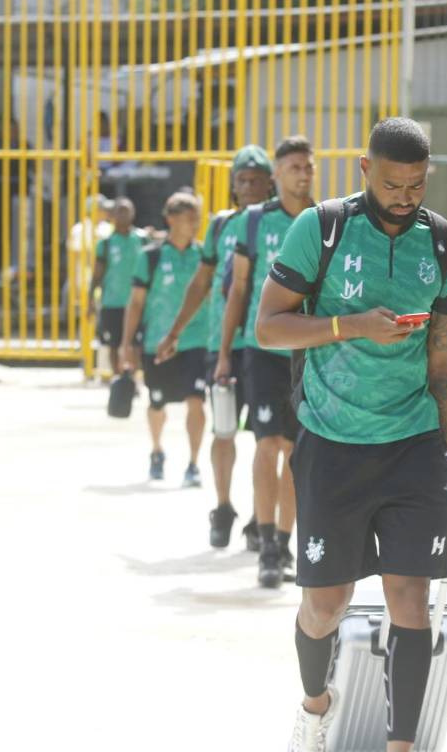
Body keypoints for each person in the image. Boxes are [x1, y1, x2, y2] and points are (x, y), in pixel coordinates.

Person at [257, 117, 447, 752]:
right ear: (363, 170)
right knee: (326, 604)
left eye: (415, 184)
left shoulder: (443, 244)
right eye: (390, 183)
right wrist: (350, 324)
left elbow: (443, 353)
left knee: (411, 601)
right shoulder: (320, 229)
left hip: (410, 444)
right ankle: (315, 709)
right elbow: (269, 324)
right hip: (333, 440)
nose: (403, 196)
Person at [188, 136, 315, 588]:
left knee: (298, 454)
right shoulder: (254, 224)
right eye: (294, 166)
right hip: (261, 351)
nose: (303, 173)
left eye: (308, 166)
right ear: (278, 175)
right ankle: (264, 540)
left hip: (309, 354)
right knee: (267, 445)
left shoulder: (326, 221)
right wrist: (225, 353)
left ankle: (283, 542)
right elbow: (237, 290)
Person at [156, 145, 275, 550]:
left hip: (266, 346)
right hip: (221, 345)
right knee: (223, 429)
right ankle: (223, 507)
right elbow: (202, 283)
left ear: (270, 183)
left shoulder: (282, 224)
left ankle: (263, 518)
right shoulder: (222, 226)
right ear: (233, 186)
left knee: (267, 437)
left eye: (257, 179)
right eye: (242, 179)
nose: (249, 186)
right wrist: (174, 332)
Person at [120, 192, 209, 486]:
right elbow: (135, 303)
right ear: (170, 219)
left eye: (197, 218)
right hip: (156, 343)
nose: (194, 224)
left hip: (197, 341)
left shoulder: (205, 256)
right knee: (157, 403)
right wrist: (127, 343)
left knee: (196, 401)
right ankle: (157, 451)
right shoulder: (151, 257)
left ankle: (193, 464)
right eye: (188, 218)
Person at [90, 197, 145, 376]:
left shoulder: (142, 240)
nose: (123, 214)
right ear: (112, 215)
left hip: (136, 302)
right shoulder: (105, 244)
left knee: (136, 343)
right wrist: (91, 298)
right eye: (119, 211)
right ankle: (118, 377)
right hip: (112, 301)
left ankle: (132, 378)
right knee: (114, 343)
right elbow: (97, 273)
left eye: (126, 210)